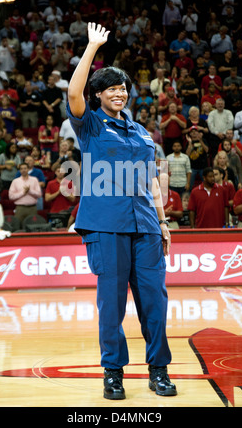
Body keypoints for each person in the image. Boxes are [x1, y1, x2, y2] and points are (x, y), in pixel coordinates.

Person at [66, 22, 177, 400]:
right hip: (106, 228)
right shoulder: (90, 125)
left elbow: (150, 181)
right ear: (99, 95)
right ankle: (113, 374)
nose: (120, 93)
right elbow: (73, 90)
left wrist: (163, 222)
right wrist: (93, 48)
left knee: (154, 303)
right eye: (112, 88)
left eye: (123, 88)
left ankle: (158, 370)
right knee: (111, 307)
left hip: (146, 227)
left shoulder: (142, 132)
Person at [9, 162, 42, 226]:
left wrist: (29, 191)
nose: (23, 170)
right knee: (18, 226)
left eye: (25, 168)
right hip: (20, 208)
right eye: (21, 169)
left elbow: (39, 194)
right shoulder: (15, 181)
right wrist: (23, 193)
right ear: (19, 170)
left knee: (34, 227)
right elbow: (11, 196)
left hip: (32, 208)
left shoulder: (34, 180)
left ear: (28, 169)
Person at [185, 126, 209, 190]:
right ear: (190, 134)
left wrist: (200, 140)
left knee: (206, 185)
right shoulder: (188, 142)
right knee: (189, 186)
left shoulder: (203, 140)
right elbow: (187, 154)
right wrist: (190, 143)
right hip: (192, 167)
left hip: (203, 167)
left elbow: (207, 150)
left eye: (195, 131)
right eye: (192, 132)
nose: (194, 133)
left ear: (198, 132)